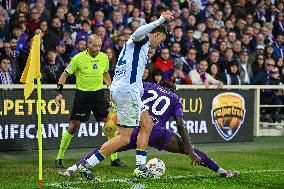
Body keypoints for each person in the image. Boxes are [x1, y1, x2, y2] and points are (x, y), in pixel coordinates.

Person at [67, 11, 175, 180]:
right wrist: (160, 20)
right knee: (124, 138)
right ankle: (87, 165)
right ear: (157, 34)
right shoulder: (141, 40)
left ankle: (140, 166)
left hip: (126, 91)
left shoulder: (138, 48)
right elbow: (138, 32)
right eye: (160, 40)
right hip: (127, 92)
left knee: (147, 124)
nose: (159, 44)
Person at [61, 82, 237, 179]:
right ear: (173, 90)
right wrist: (189, 149)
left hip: (136, 129)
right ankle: (222, 171)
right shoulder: (175, 98)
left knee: (106, 148)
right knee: (189, 149)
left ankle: (72, 169)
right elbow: (181, 124)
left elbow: (129, 93)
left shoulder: (150, 86)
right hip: (157, 133)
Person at [54, 34, 126, 169]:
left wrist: (112, 88)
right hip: (82, 97)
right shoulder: (78, 58)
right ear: (88, 44)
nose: (97, 48)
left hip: (98, 96)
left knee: (110, 126)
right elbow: (65, 74)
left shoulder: (104, 57)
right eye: (94, 45)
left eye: (99, 46)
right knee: (73, 127)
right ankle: (59, 158)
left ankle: (114, 159)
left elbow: (105, 74)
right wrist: (59, 93)